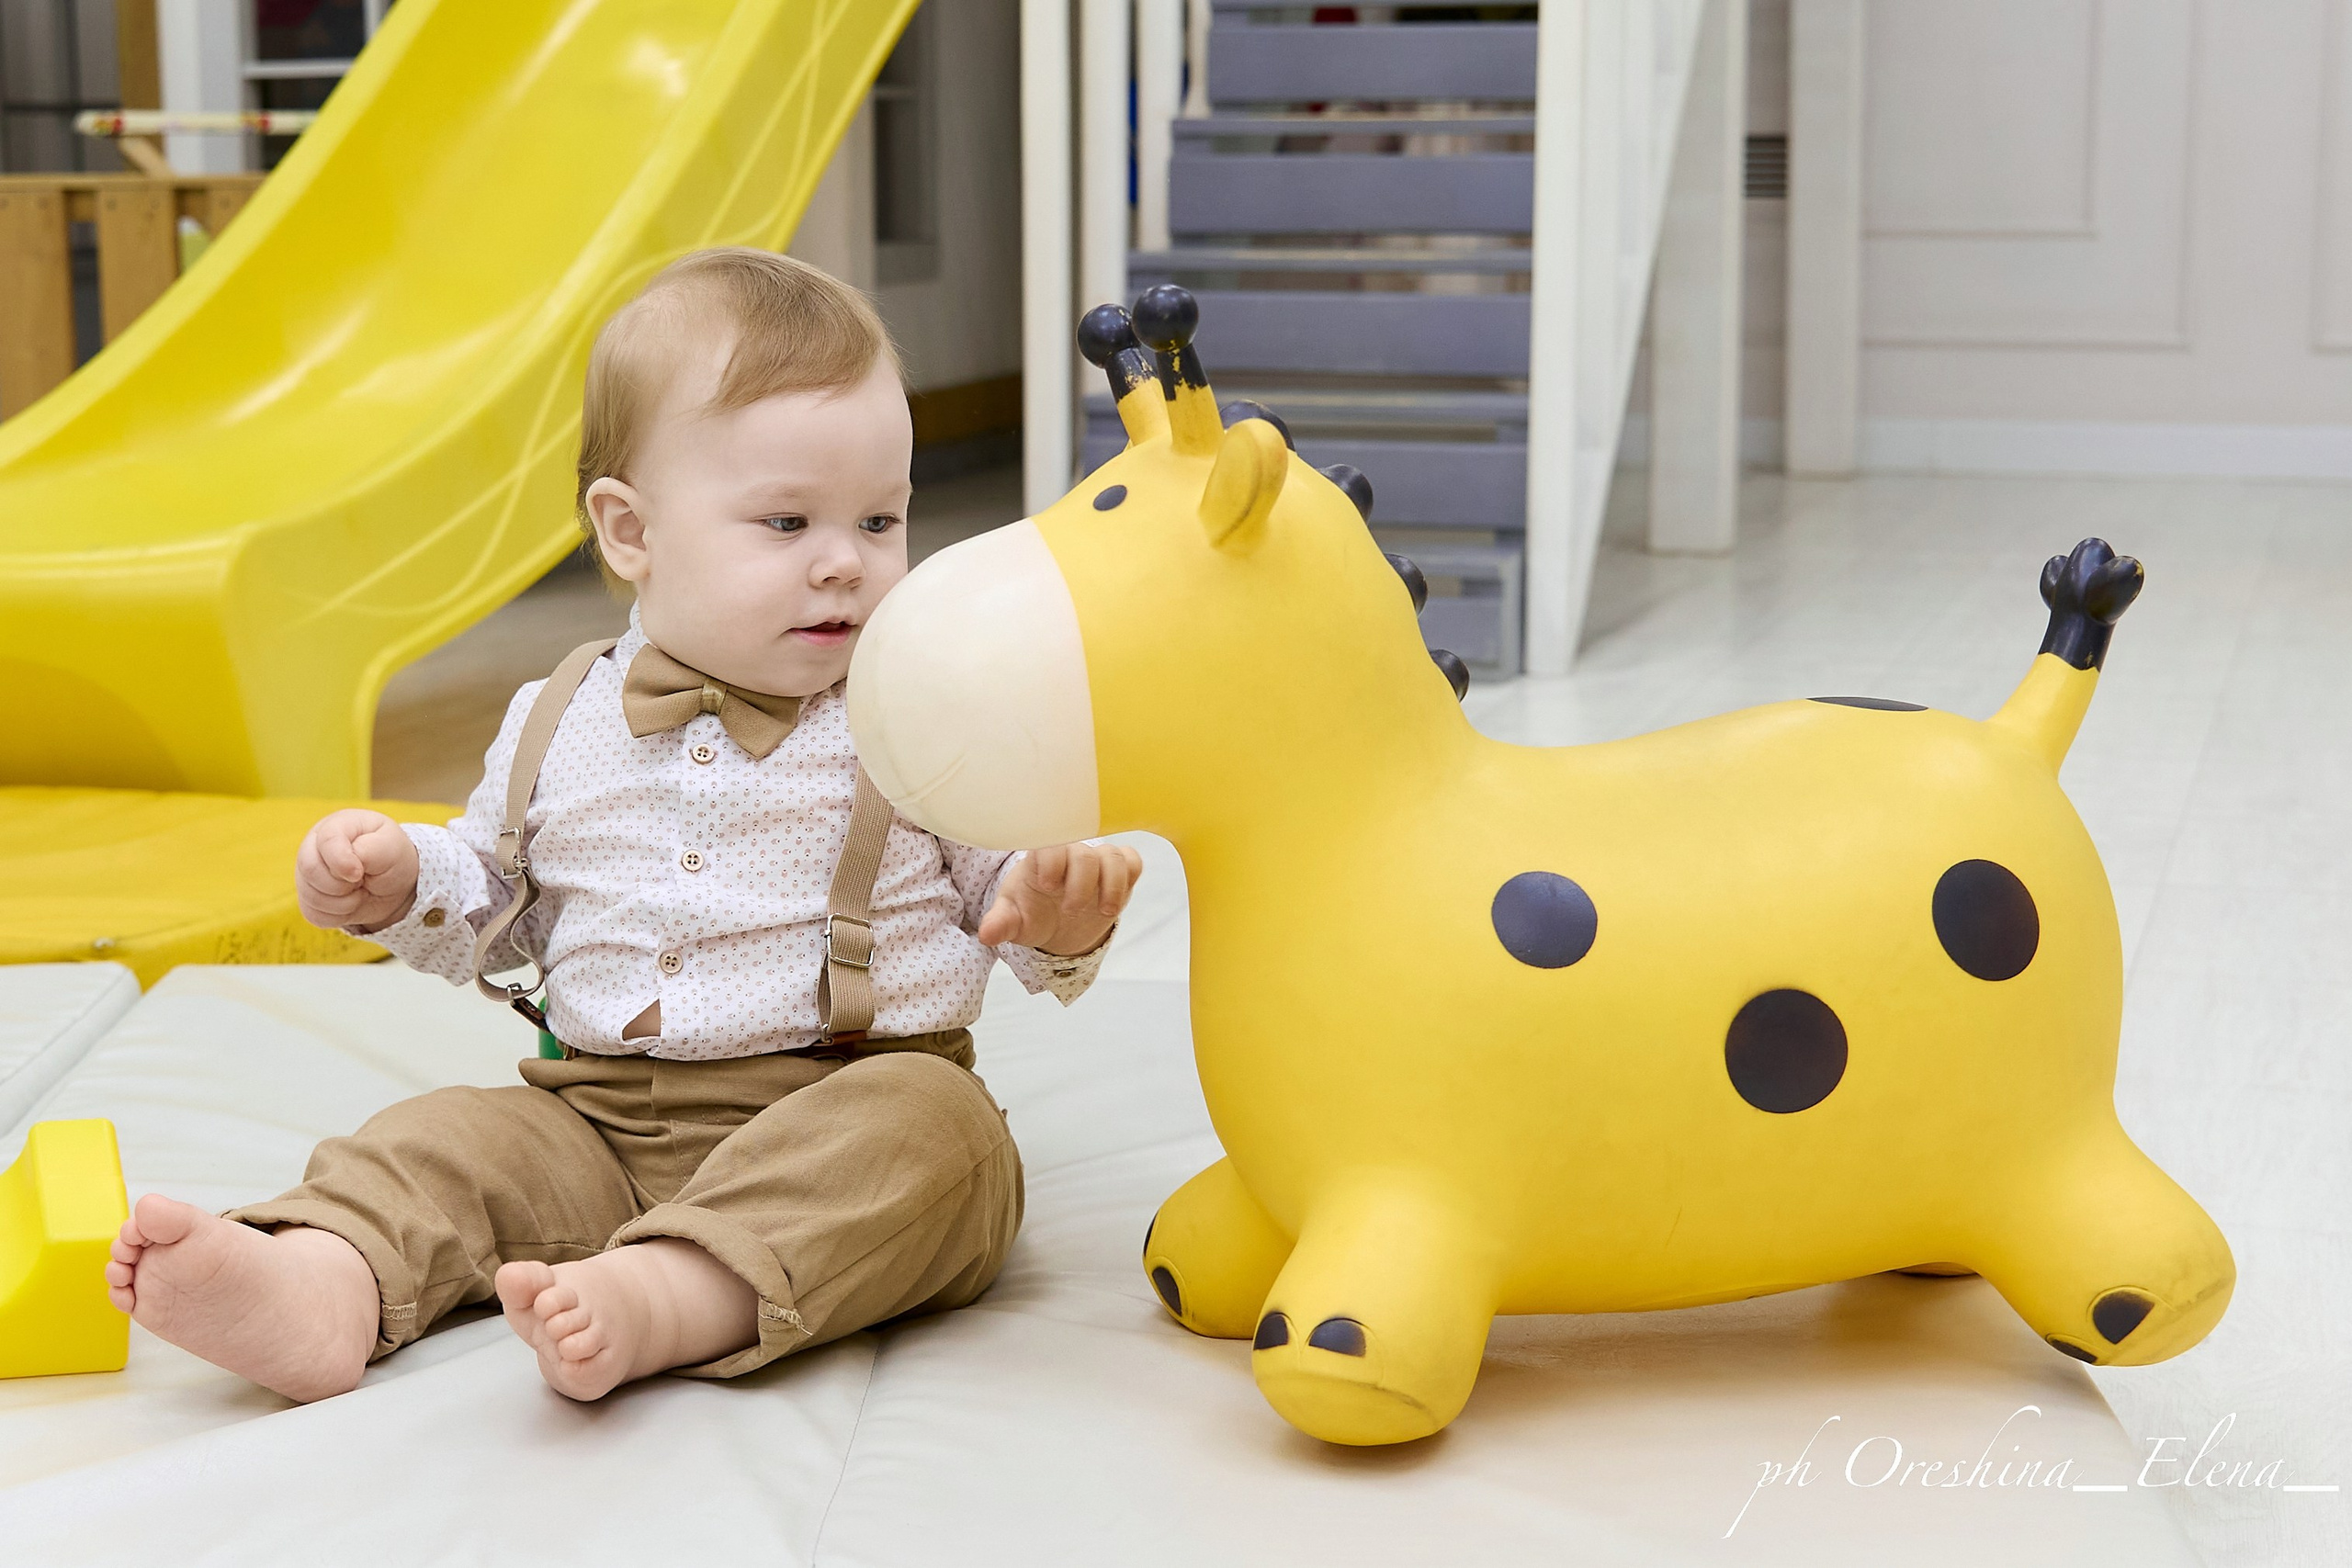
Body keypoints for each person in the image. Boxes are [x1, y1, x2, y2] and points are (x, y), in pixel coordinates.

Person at [103, 249, 1141, 1404]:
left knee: (942, 1142)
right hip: (594, 1120)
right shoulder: (557, 716)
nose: (845, 560)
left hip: (841, 1101)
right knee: (440, 1138)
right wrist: (402, 882)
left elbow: (1011, 890)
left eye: (880, 518)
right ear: (629, 532)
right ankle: (324, 1281)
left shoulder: (919, 715)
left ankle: (671, 1297)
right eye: (787, 521)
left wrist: (1057, 912)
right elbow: (496, 909)